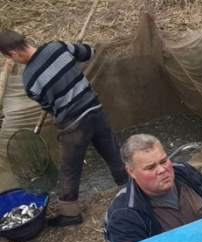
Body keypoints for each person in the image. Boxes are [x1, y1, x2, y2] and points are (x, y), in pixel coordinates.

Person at [0, 29, 129, 227]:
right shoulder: (57, 47)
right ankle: (130, 190)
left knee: (69, 169)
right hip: (95, 110)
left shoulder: (30, 81)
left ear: (14, 54)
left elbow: (49, 108)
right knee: (112, 153)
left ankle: (71, 214)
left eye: (10, 59)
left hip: (73, 125)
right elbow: (89, 52)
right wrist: (71, 56)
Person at [104, 134, 202, 242]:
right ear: (131, 171)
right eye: (150, 168)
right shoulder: (123, 214)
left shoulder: (185, 173)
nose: (162, 170)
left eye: (164, 161)